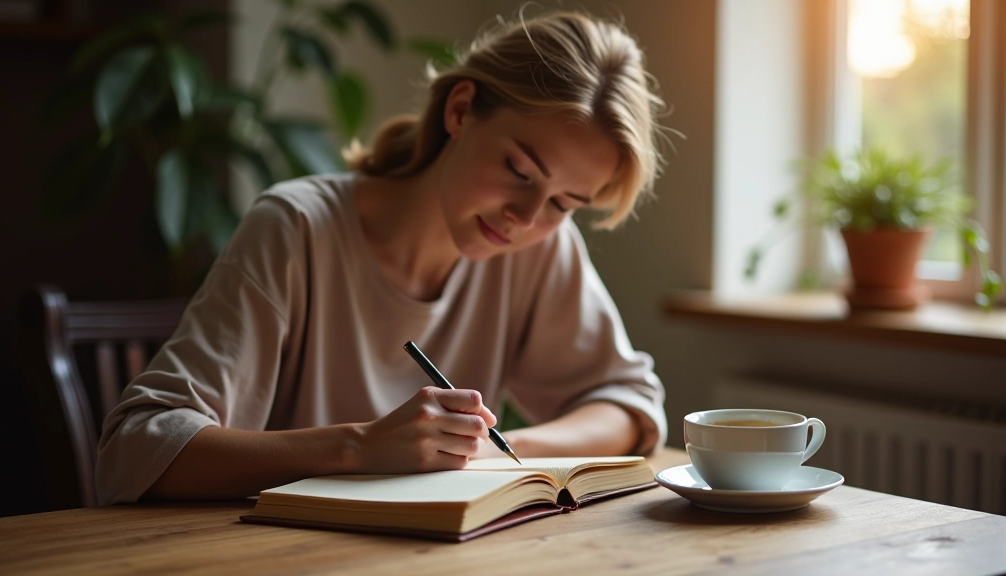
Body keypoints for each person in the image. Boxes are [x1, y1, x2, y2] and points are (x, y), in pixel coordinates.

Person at [96, 9, 669, 505]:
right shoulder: (297, 228)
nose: (526, 217)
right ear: (461, 110)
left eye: (565, 203)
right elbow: (136, 447)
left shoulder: (540, 248)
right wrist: (362, 447)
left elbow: (631, 406)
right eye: (518, 170)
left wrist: (497, 451)